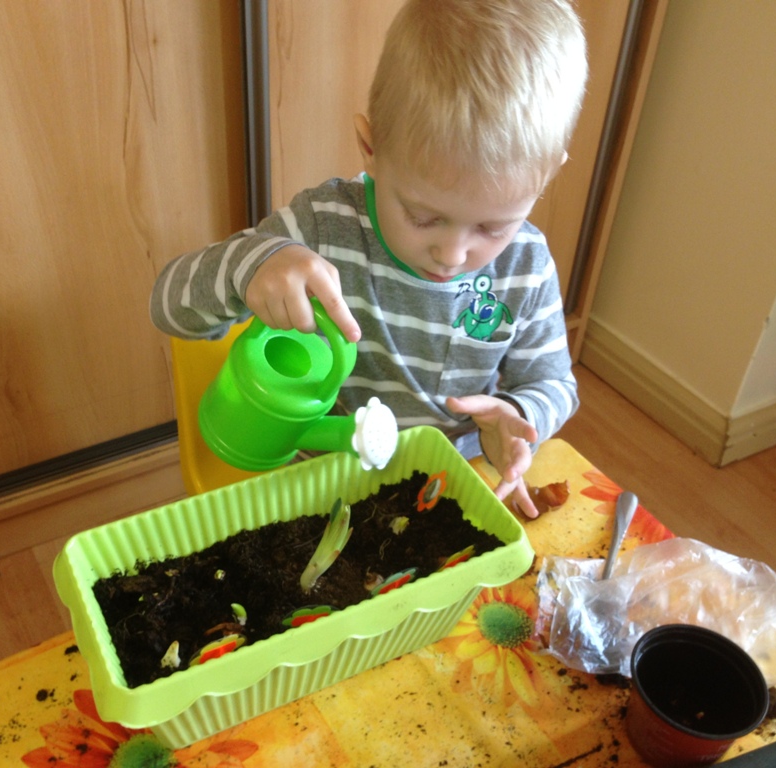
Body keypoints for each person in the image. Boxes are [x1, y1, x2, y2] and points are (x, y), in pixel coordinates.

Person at [150, 0, 588, 517]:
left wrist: (517, 416)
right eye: (422, 216)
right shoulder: (322, 230)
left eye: (493, 227)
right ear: (370, 146)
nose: (452, 255)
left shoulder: (526, 265)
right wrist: (250, 266)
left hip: (453, 484)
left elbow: (553, 383)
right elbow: (168, 306)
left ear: (548, 177)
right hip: (325, 486)